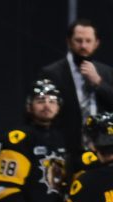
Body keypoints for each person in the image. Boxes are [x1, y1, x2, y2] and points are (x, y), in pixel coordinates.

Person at [39, 19, 113, 170]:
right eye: (78, 40)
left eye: (88, 41)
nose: (83, 46)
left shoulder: (106, 73)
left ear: (96, 43)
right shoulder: (52, 73)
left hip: (102, 152)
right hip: (67, 150)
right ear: (69, 42)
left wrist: (98, 82)